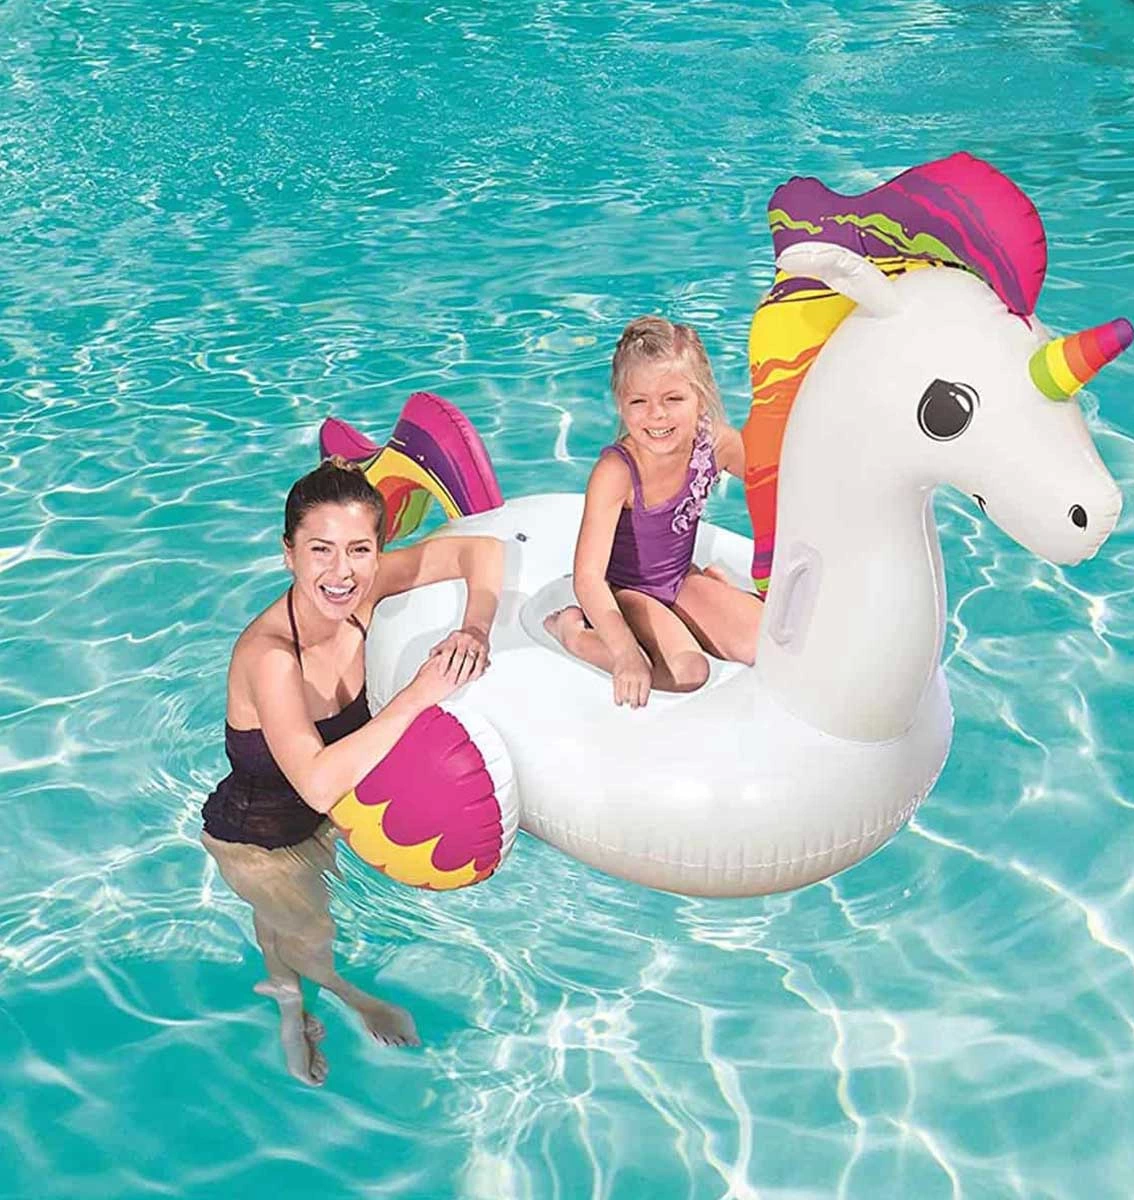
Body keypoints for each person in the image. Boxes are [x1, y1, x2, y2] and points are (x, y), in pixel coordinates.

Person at [201, 456, 504, 1086]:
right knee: (314, 933)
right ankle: (341, 1000)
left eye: (359, 550)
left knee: (286, 922)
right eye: (321, 550)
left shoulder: (363, 590)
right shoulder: (272, 656)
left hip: (320, 821)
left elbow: (482, 551)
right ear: (288, 554)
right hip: (257, 838)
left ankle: (286, 996)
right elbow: (315, 782)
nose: (341, 572)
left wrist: (474, 629)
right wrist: (419, 694)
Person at [544, 316, 761, 708]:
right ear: (620, 403)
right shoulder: (617, 471)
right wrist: (625, 653)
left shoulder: (717, 444)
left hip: (679, 579)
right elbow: (588, 578)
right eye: (638, 402)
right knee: (688, 673)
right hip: (626, 592)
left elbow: (773, 489)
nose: (657, 415)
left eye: (673, 399)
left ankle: (706, 590)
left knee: (765, 643)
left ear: (701, 396)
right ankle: (572, 634)